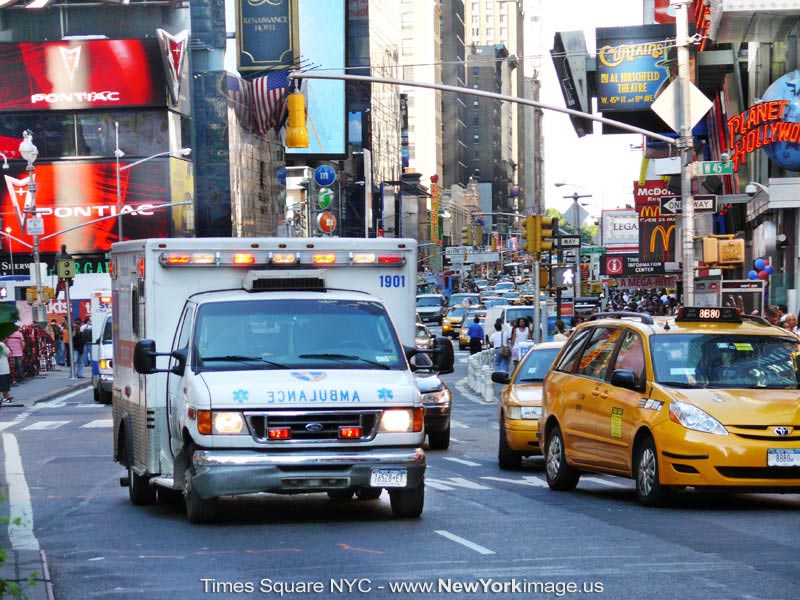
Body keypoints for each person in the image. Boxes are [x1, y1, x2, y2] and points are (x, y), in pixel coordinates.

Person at [0, 338, 12, 404]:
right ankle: (6, 398)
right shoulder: (2, 345)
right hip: (3, 368)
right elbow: (8, 353)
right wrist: (5, 344)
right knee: (5, 385)